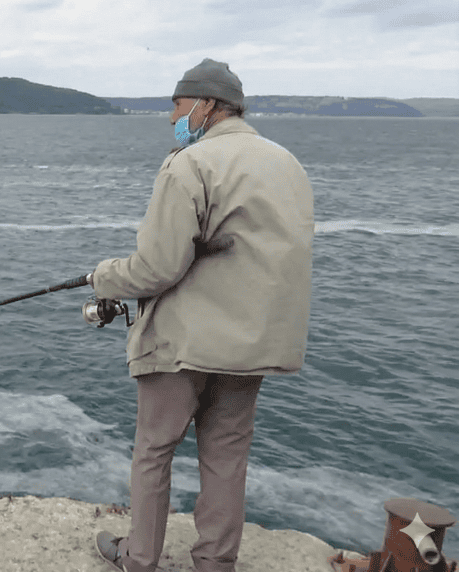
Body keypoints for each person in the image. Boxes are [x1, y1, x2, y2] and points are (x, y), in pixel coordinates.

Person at [89, 59, 314, 572]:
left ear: (206, 104)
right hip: (255, 343)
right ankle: (215, 563)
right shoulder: (287, 164)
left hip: (184, 344)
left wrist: (103, 276)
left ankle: (140, 557)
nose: (171, 114)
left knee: (153, 451)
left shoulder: (190, 164)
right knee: (227, 456)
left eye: (177, 103)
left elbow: (155, 268)